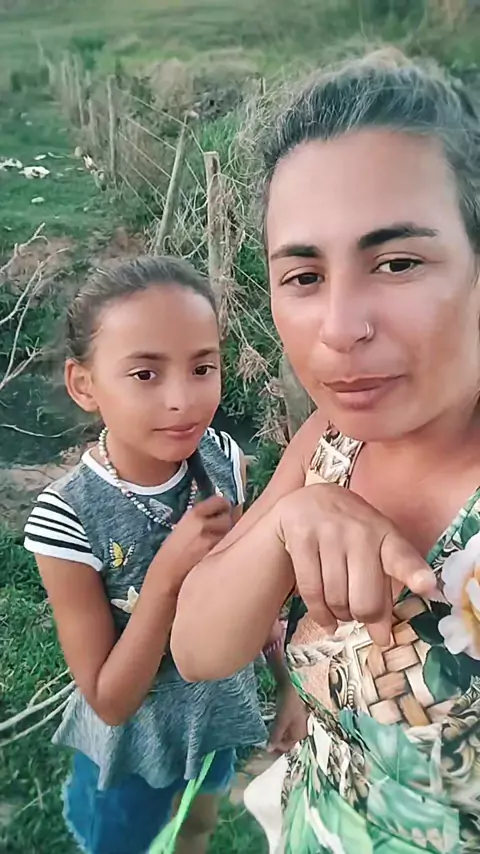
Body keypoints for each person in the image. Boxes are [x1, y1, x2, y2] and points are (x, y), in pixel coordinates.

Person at [170, 49, 480, 853]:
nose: (340, 329)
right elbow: (199, 649)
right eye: (303, 277)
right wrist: (288, 522)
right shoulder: (333, 442)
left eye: (398, 263)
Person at [23, 256, 307, 854]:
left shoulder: (222, 458)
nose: (182, 399)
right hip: (134, 748)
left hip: (217, 719)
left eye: (202, 367)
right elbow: (109, 700)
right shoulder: (67, 516)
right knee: (123, 842)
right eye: (146, 374)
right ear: (84, 384)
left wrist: (288, 686)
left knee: (195, 828)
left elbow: (248, 591)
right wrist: (166, 577)